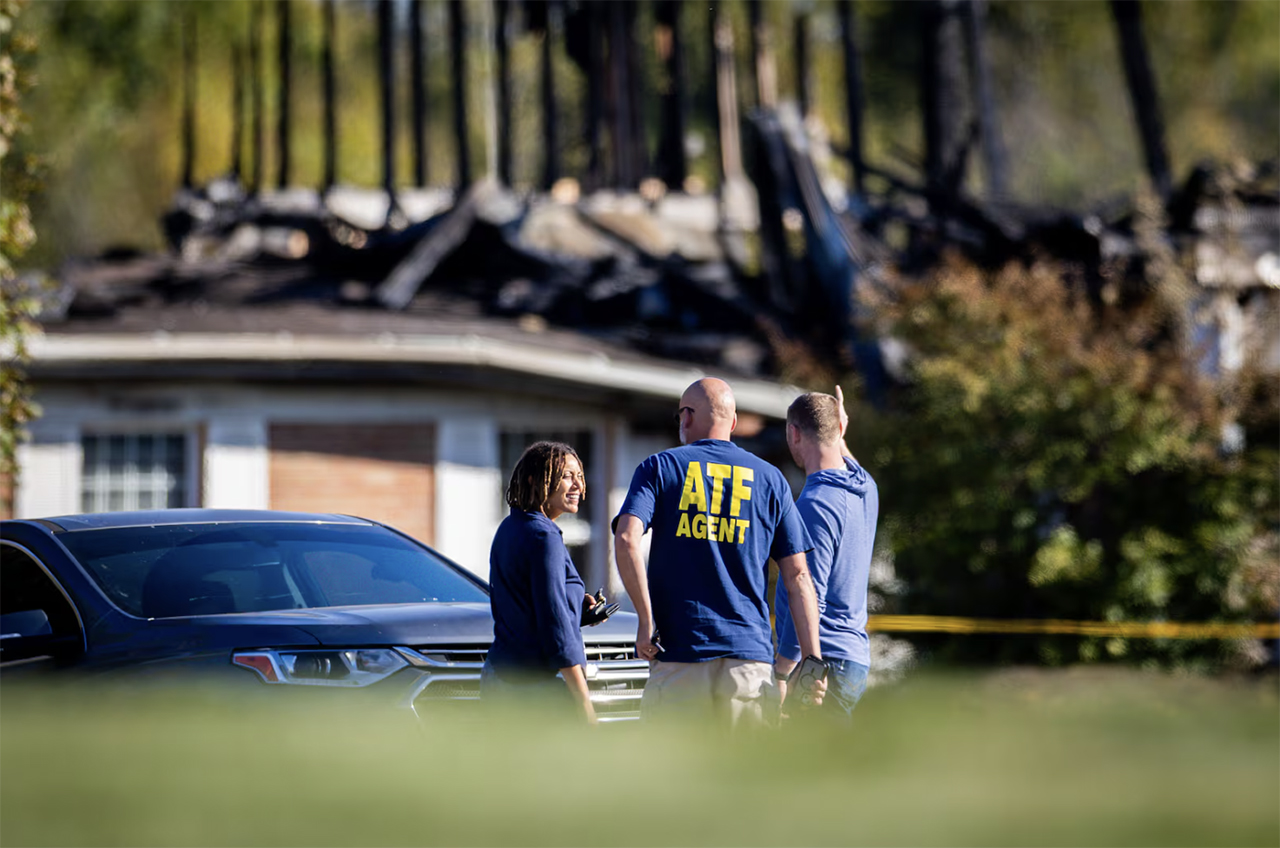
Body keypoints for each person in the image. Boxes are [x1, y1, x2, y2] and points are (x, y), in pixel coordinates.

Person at [613, 377, 827, 727]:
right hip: (750, 662)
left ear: (686, 417)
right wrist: (813, 660)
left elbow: (626, 539)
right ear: (733, 422)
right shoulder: (771, 479)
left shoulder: (660, 468)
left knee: (671, 777)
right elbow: (799, 575)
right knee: (742, 778)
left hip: (680, 653)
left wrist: (645, 618)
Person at [774, 387, 879, 720]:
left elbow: (808, 592)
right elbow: (848, 460)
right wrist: (839, 424)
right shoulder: (865, 486)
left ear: (793, 433)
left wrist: (784, 671)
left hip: (822, 664)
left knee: (808, 768)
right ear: (841, 430)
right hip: (852, 659)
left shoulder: (814, 505)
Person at [481, 441, 597, 724]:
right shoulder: (544, 536)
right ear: (535, 479)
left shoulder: (511, 527)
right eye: (567, 476)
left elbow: (526, 602)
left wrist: (575, 604)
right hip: (535, 689)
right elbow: (555, 628)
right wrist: (585, 705)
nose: (578, 486)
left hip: (499, 676)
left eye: (579, 476)